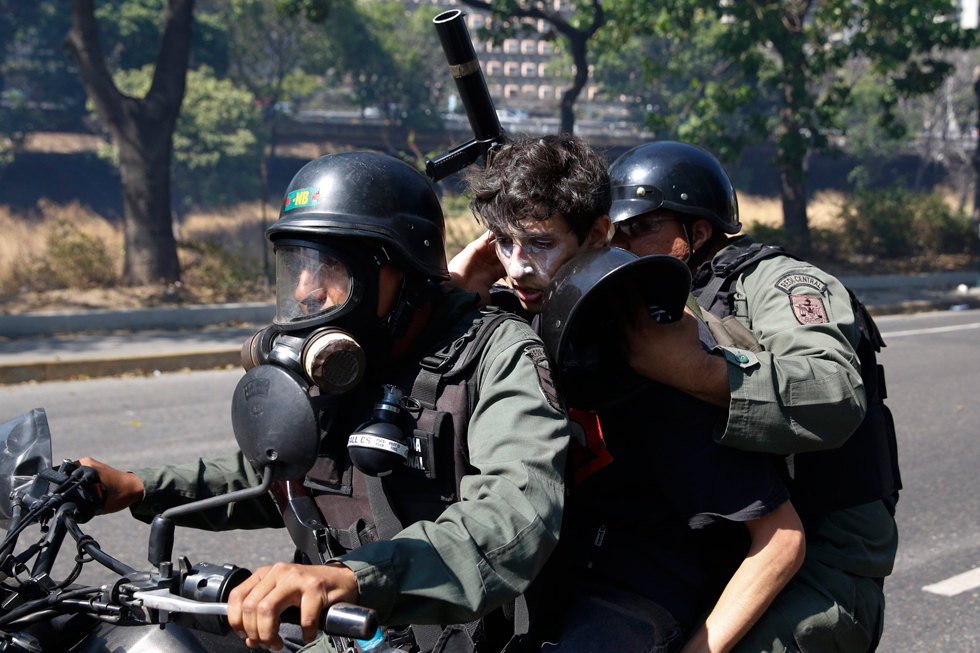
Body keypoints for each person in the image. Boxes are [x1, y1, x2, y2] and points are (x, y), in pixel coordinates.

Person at [80, 151, 571, 653]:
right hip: (336, 637)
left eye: (330, 266)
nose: (304, 291)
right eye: (297, 264)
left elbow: (514, 515)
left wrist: (354, 579)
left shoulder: (496, 353)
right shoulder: (345, 360)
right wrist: (138, 489)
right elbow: (284, 474)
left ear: (402, 271)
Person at [451, 133, 806, 653]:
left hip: (637, 595)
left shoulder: (647, 350)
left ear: (598, 233)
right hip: (543, 581)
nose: (517, 267)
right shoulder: (507, 324)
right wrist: (460, 283)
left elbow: (780, 539)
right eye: (503, 243)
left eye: (541, 243)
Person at [607, 140, 901, 652]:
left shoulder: (781, 284)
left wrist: (697, 371)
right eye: (614, 232)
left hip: (822, 563)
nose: (623, 244)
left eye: (640, 228)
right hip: (718, 549)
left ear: (696, 233)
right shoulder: (650, 297)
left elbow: (834, 391)